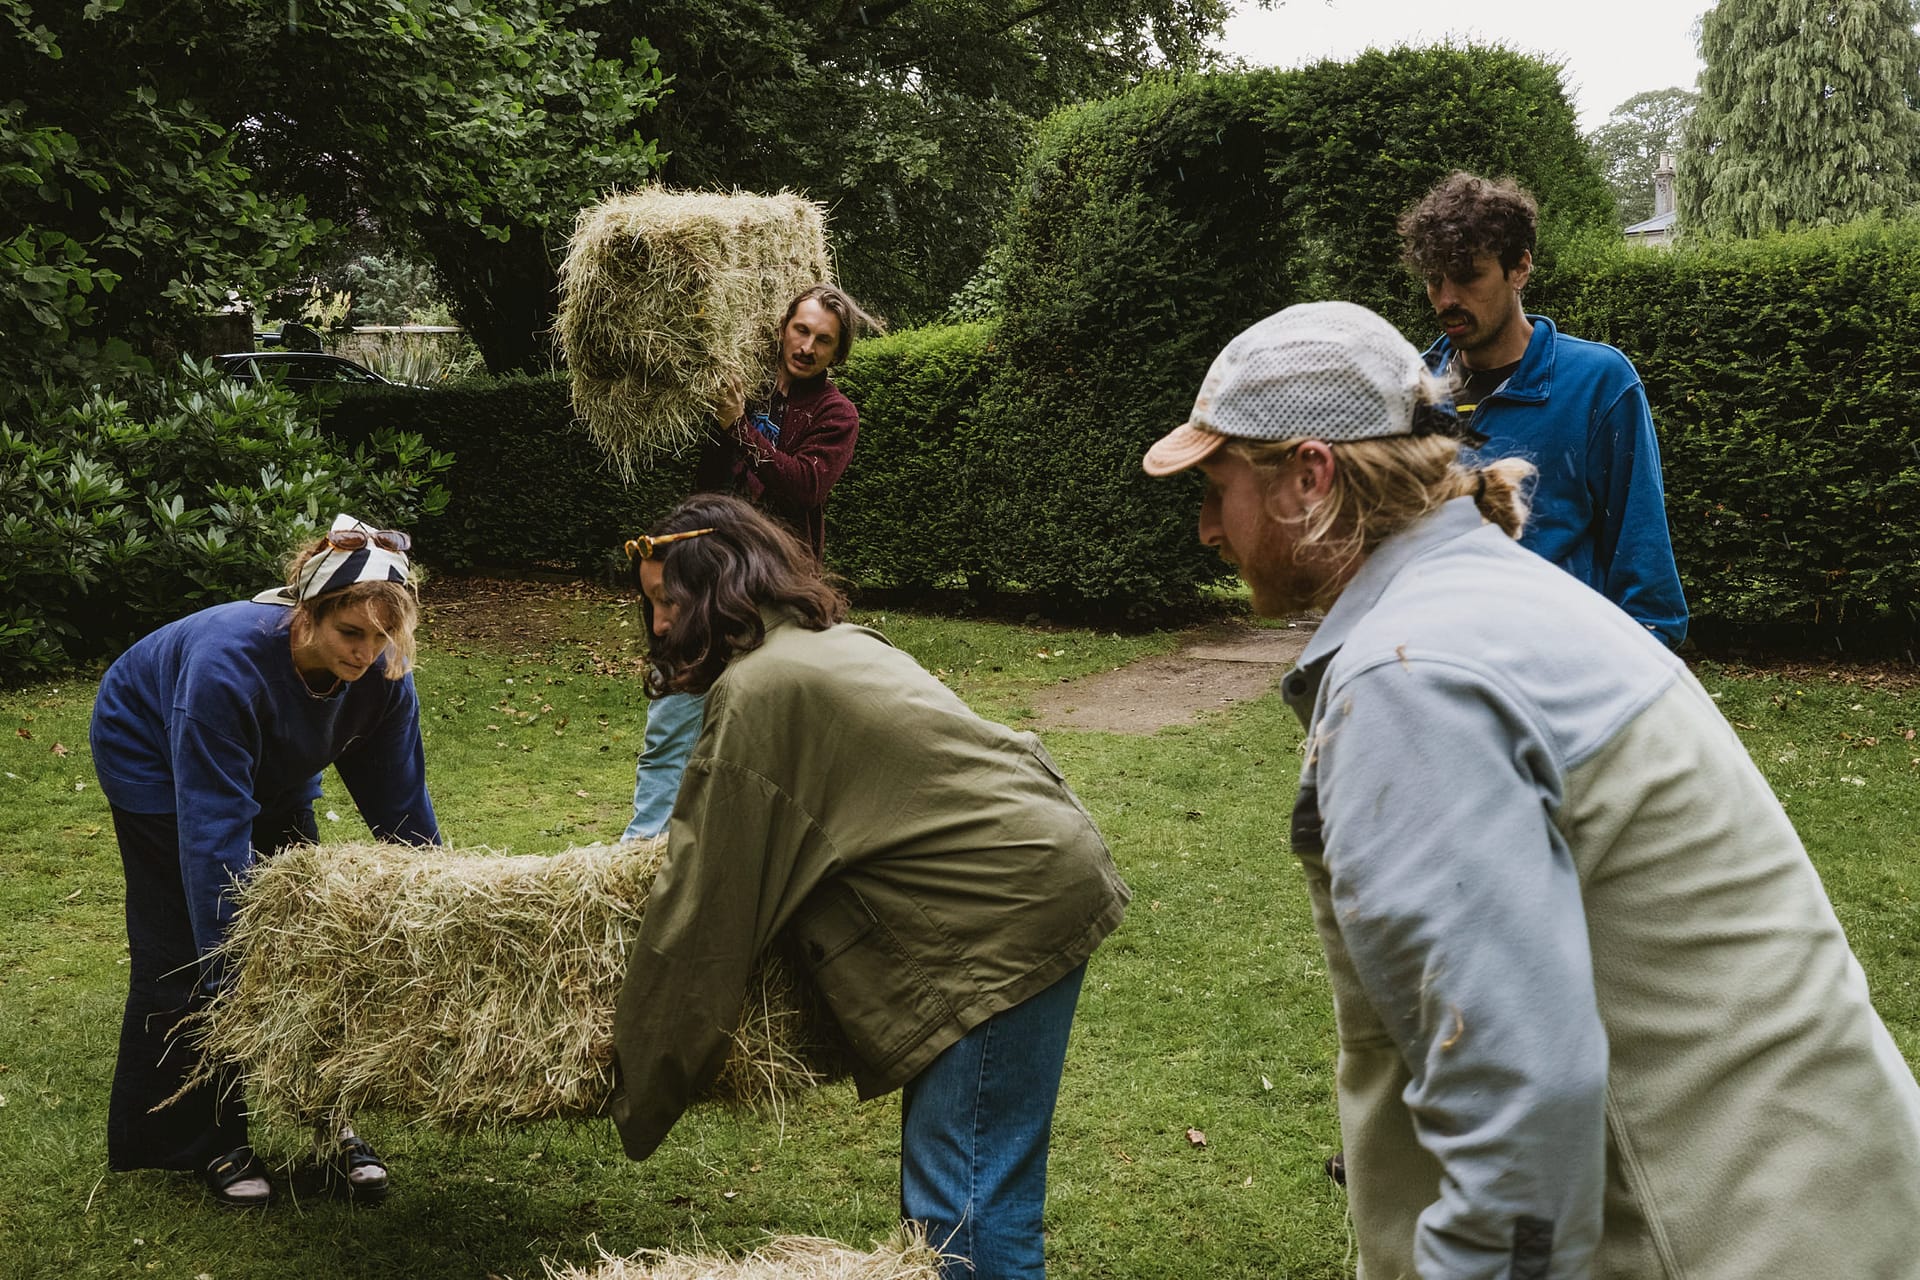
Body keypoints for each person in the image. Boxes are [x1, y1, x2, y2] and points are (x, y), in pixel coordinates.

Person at [1141, 300, 1920, 1278]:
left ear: (1310, 475)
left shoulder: (1411, 672)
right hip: (1824, 1217)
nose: (1207, 526)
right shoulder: (1485, 600)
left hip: (1732, 1242)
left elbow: (1520, 1103)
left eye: (1217, 485)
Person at [608, 494, 1129, 1280]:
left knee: (966, 1208)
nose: (657, 627)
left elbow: (707, 905)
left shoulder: (760, 692)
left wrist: (633, 1076)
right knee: (972, 1188)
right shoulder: (822, 644)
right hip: (1034, 874)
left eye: (669, 603)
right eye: (650, 606)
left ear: (720, 590)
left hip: (1000, 913)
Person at [90, 513, 442, 1208]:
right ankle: (204, 1139)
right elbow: (213, 832)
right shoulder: (228, 665)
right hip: (155, 756)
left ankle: (328, 1121)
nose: (365, 653)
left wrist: (440, 909)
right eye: (350, 633)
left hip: (272, 763)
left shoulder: (384, 671)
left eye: (381, 636)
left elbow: (401, 802)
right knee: (184, 956)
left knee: (314, 941)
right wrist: (225, 965)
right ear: (304, 618)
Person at [622, 283, 880, 842]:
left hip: (774, 585)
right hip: (705, 579)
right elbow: (709, 483)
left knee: (766, 725)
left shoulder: (836, 414)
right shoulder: (745, 387)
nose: (808, 346)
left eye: (824, 341)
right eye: (801, 330)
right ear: (783, 326)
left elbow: (806, 486)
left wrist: (739, 427)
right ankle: (641, 848)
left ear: (838, 353)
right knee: (675, 708)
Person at [1399, 170, 1689, 649]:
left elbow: (1650, 596)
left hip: (1558, 689)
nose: (1447, 299)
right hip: (1434, 684)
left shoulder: (1597, 383)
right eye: (1434, 280)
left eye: (1469, 276)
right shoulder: (1408, 393)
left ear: (1520, 269)